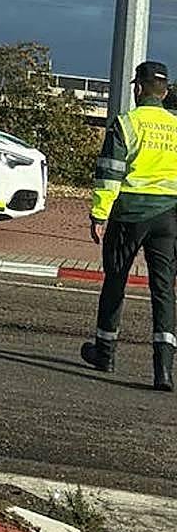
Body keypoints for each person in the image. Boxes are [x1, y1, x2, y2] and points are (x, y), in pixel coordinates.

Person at [82, 61, 177, 392]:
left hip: (129, 215)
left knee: (116, 280)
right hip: (168, 217)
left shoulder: (126, 123)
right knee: (164, 291)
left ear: (138, 89)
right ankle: (163, 370)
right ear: (164, 93)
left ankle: (104, 353)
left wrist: (99, 215)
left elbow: (110, 173)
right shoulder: (176, 125)